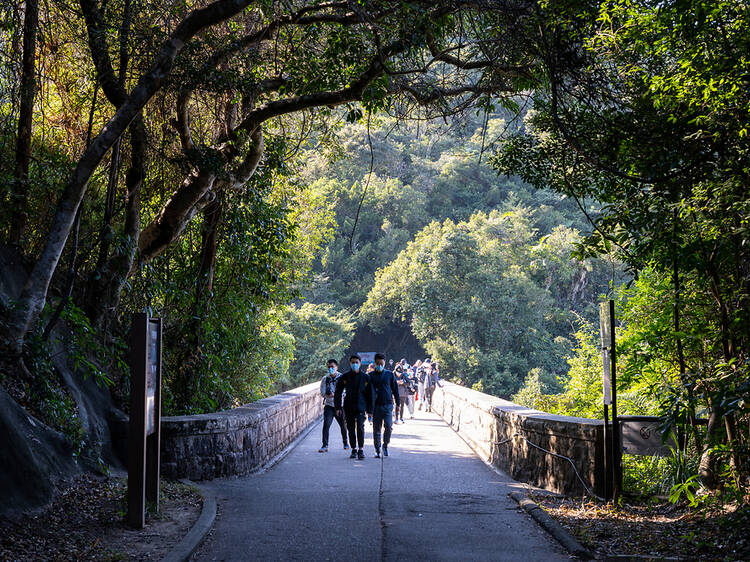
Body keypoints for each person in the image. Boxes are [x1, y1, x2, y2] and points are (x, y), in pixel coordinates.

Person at [334, 355, 373, 460]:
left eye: (356, 362)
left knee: (360, 428)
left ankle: (361, 449)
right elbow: (338, 392)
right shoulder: (345, 377)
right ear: (350, 363)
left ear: (360, 363)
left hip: (361, 406)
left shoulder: (365, 377)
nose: (354, 364)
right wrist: (337, 407)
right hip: (348, 406)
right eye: (353, 362)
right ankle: (353, 449)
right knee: (350, 429)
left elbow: (370, 394)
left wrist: (370, 410)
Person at [369, 353, 400, 458]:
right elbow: (366, 392)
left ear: (384, 363)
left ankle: (385, 445)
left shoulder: (389, 374)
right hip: (376, 406)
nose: (380, 365)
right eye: (378, 363)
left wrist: (398, 404)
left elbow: (395, 390)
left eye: (381, 363)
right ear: (375, 363)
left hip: (387, 405)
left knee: (388, 426)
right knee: (376, 429)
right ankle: (377, 449)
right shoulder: (371, 376)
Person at [318, 359, 348, 453]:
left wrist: (335, 395)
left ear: (336, 367)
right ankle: (325, 445)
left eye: (332, 367)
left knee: (343, 425)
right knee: (326, 425)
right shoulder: (325, 379)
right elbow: (322, 393)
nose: (331, 369)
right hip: (329, 406)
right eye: (329, 367)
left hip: (340, 405)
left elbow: (346, 391)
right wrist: (328, 395)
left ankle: (345, 443)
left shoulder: (342, 377)